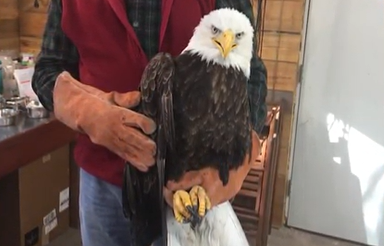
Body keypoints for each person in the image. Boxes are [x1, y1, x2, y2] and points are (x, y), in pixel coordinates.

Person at [31, 0, 268, 245]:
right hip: (103, 180)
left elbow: (251, 71)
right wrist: (86, 113)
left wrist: (240, 157)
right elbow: (48, 70)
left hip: (190, 183)